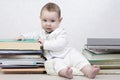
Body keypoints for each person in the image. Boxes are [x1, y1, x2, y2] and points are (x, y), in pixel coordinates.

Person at [16, 2, 100, 79]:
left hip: (68, 54)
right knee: (57, 65)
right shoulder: (40, 33)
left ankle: (89, 71)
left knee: (79, 59)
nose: (48, 24)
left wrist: (45, 44)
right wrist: (23, 36)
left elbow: (60, 44)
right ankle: (66, 73)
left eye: (52, 21)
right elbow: (32, 35)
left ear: (59, 20)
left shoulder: (61, 32)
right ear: (40, 19)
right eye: (44, 20)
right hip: (55, 58)